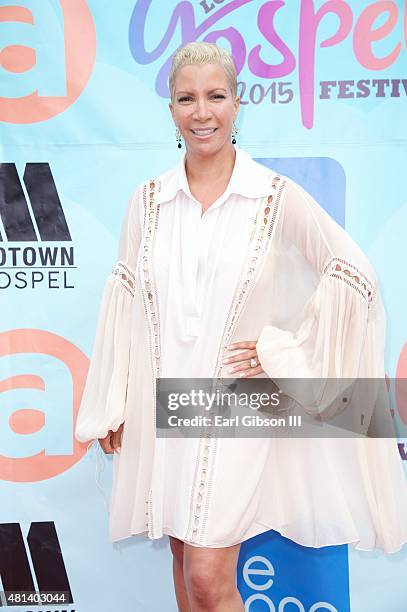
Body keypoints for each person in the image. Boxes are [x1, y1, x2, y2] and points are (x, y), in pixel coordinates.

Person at [75, 42, 407, 611]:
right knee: (183, 564)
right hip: (166, 404)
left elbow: (354, 276)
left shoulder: (274, 197)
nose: (201, 111)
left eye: (215, 96)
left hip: (235, 408)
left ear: (237, 104)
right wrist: (112, 402)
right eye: (187, 98)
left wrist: (287, 351)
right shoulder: (148, 201)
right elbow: (126, 303)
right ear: (171, 110)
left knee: (208, 575)